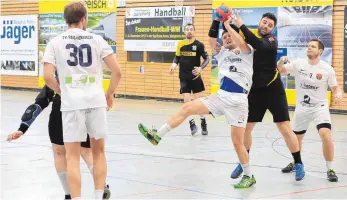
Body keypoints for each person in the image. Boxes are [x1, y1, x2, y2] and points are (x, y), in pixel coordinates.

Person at [138, 16, 256, 188]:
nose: (227, 38)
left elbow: (241, 41)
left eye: (230, 36)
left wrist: (228, 26)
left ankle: (249, 175)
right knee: (187, 107)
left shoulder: (248, 51)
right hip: (221, 96)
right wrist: (217, 21)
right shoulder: (222, 53)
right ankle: (158, 135)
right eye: (224, 37)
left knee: (237, 142)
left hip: (239, 101)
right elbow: (210, 39)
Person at [43, 1, 122, 199]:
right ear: (84, 19)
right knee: (98, 152)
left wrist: (61, 90)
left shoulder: (54, 42)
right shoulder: (97, 39)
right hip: (95, 102)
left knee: (72, 157)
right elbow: (117, 72)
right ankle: (98, 195)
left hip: (72, 105)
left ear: (66, 19)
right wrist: (109, 93)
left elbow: (47, 77)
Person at [229, 12, 305, 181]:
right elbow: (240, 38)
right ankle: (244, 163)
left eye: (270, 25)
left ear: (273, 29)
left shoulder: (271, 41)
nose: (266, 26)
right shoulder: (251, 39)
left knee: (284, 127)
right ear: (260, 22)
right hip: (255, 91)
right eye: (264, 22)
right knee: (246, 129)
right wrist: (229, 21)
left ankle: (298, 163)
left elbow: (258, 44)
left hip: (273, 89)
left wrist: (240, 24)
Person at [6, 85, 111, 200]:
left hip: (63, 109)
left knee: (60, 153)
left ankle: (69, 194)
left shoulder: (59, 70)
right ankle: (101, 186)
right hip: (88, 107)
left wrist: (22, 128)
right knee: (87, 152)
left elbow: (38, 104)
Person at [277, 39, 343, 182]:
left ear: (320, 51)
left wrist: (338, 94)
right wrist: (281, 61)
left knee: (325, 134)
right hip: (302, 108)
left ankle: (330, 168)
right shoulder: (298, 64)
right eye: (308, 46)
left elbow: (336, 88)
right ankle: (296, 162)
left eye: (313, 46)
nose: (309, 48)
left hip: (320, 108)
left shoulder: (327, 69)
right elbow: (280, 70)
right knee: (296, 139)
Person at [169, 23, 209, 136]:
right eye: (187, 29)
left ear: (194, 31)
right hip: (184, 77)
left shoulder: (199, 45)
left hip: (195, 78)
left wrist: (201, 68)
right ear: (184, 32)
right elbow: (177, 57)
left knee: (199, 103)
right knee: (187, 103)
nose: (189, 31)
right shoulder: (180, 44)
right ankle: (192, 124)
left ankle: (203, 122)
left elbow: (207, 59)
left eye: (191, 29)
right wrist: (173, 66)